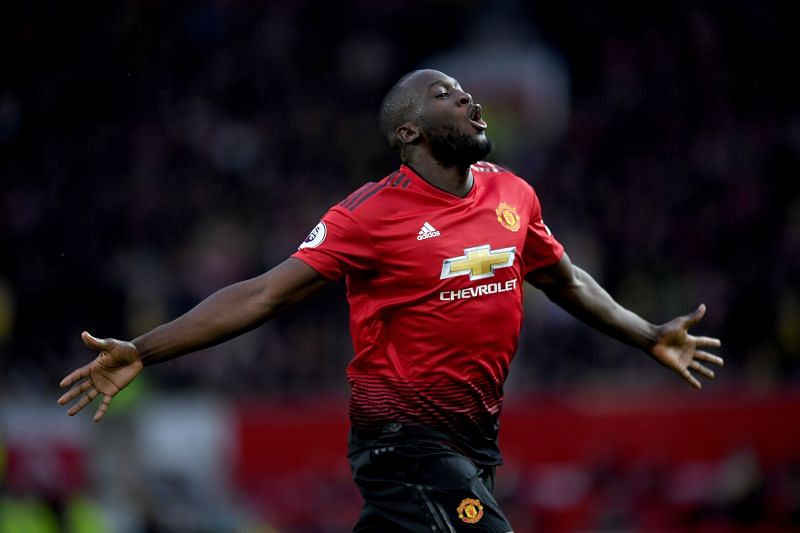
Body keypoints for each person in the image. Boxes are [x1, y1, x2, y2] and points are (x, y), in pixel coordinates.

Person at [58, 69, 723, 532]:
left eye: (467, 93)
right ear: (408, 134)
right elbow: (264, 292)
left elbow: (566, 280)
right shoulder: (369, 216)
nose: (469, 101)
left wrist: (647, 333)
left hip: (475, 442)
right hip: (402, 441)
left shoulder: (512, 195)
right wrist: (145, 349)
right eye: (446, 94)